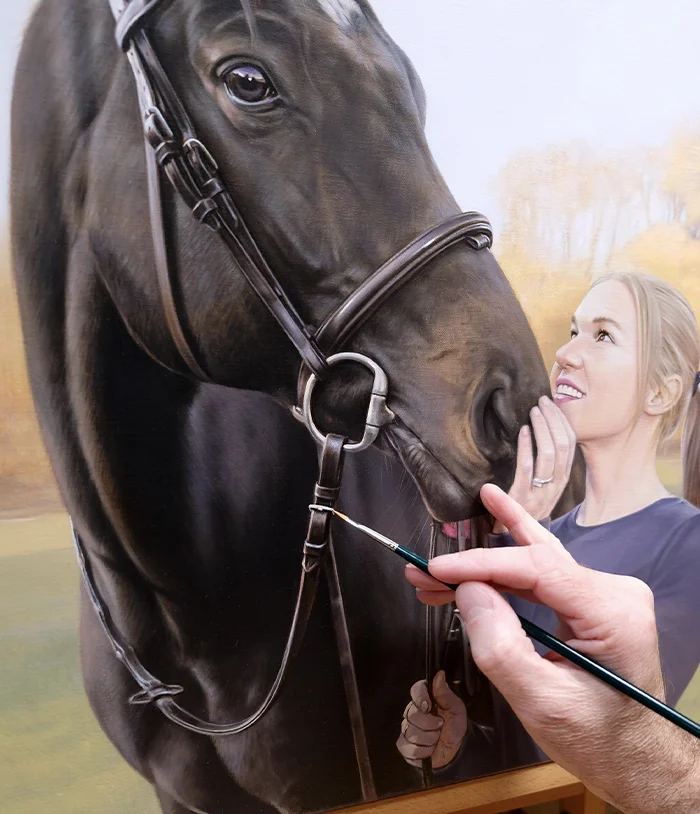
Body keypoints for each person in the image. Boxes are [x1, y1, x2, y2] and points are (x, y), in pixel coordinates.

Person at [398, 271, 700, 770]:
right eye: (574, 330)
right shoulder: (547, 534)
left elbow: (618, 748)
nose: (566, 353)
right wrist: (462, 741)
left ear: (660, 393)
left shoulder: (687, 544)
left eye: (603, 336)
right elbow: (518, 736)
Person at [410, 483, 700, 814]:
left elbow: (569, 738)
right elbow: (530, 727)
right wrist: (465, 746)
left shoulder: (688, 536)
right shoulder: (553, 530)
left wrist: (668, 775)